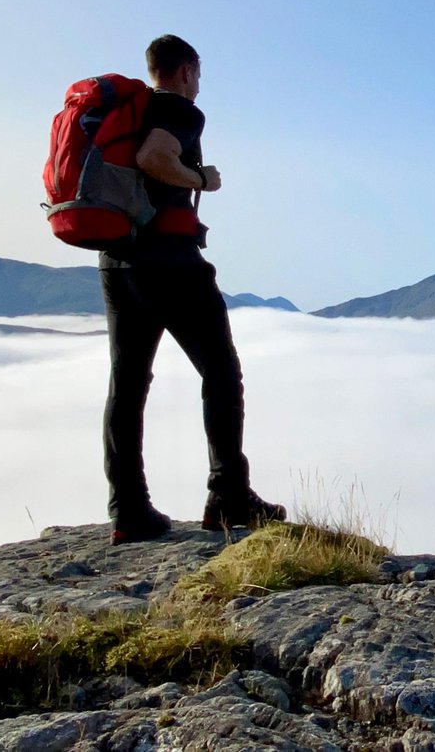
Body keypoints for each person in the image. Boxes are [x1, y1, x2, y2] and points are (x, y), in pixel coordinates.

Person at [99, 34, 285, 545]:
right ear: (186, 71)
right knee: (222, 373)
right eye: (198, 75)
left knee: (128, 385)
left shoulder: (129, 111)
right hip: (170, 262)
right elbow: (155, 158)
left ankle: (128, 510)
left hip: (119, 262)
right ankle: (228, 497)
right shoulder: (177, 110)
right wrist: (202, 179)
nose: (199, 85)